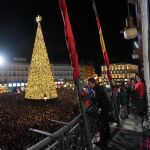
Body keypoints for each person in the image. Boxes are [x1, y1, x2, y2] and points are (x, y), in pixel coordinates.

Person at [88, 78, 111, 147]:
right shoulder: (98, 88)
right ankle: (107, 135)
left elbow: (96, 99)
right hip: (105, 108)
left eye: (89, 84)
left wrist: (88, 97)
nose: (89, 85)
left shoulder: (98, 89)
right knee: (105, 122)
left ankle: (102, 141)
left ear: (93, 83)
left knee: (101, 124)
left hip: (104, 108)